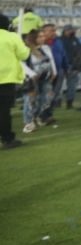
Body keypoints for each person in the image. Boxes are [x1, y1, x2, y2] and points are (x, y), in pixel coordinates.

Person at [0, 13, 30, 149]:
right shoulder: (11, 36)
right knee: (4, 111)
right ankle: (7, 139)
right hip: (6, 79)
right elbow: (24, 54)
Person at [21, 28, 57, 134]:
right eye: (40, 36)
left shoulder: (45, 48)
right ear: (34, 38)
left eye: (43, 36)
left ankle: (38, 116)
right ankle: (28, 122)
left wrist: (54, 72)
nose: (43, 38)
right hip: (32, 79)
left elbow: (51, 60)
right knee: (30, 100)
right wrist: (31, 74)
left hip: (45, 78)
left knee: (47, 98)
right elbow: (21, 63)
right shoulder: (26, 49)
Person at [60, 25, 81, 109]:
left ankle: (70, 102)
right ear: (65, 31)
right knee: (58, 86)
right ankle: (55, 102)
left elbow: (79, 53)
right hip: (62, 65)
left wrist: (76, 66)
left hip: (73, 65)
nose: (72, 31)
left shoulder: (75, 40)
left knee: (72, 85)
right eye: (70, 30)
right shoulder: (60, 40)